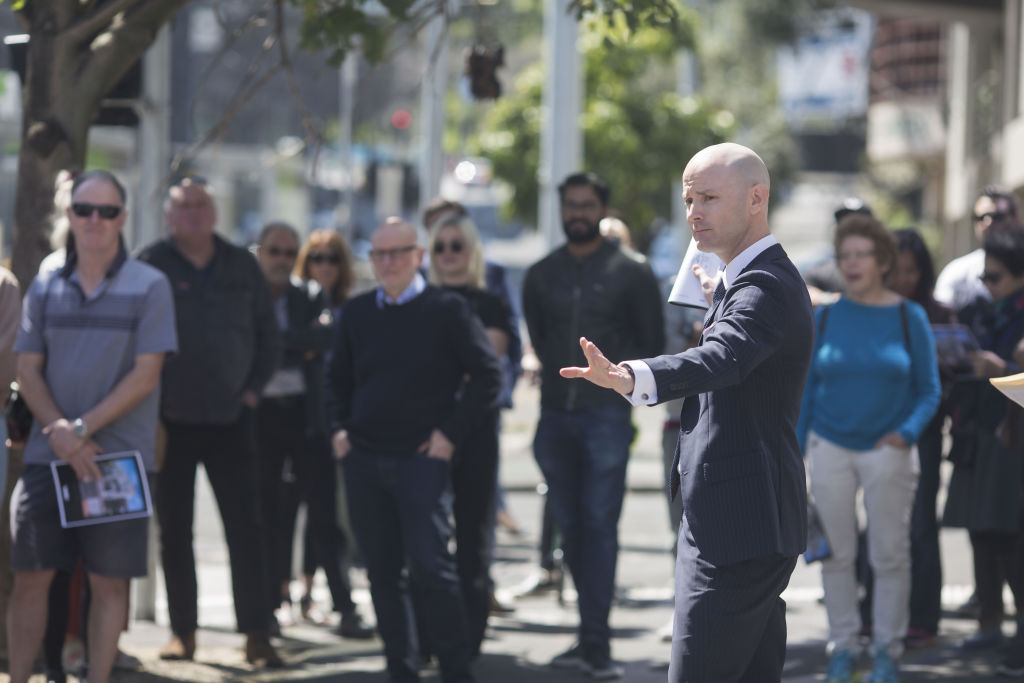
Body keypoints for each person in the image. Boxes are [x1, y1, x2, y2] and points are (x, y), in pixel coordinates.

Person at [559, 143, 812, 682]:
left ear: (756, 199)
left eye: (710, 198)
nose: (694, 212)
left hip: (740, 528)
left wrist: (631, 376)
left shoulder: (763, 282)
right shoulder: (745, 280)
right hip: (742, 521)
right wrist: (717, 295)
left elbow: (725, 357)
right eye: (689, 198)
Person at [8, 170, 177, 683]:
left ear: (122, 218)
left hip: (118, 460)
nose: (94, 221)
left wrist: (78, 429)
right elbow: (26, 369)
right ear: (69, 215)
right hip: (48, 456)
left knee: (109, 584)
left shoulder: (151, 285)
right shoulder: (45, 280)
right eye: (84, 210)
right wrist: (61, 432)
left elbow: (147, 375)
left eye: (106, 211)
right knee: (30, 576)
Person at [324, 217, 501, 683]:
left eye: (397, 252)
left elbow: (488, 376)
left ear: (418, 256)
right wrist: (338, 433)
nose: (387, 263)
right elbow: (334, 382)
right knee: (381, 574)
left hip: (421, 460)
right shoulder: (356, 313)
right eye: (379, 254)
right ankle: (400, 670)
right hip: (364, 458)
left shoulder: (447, 309)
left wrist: (449, 434)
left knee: (431, 569)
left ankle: (455, 670)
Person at [522, 171, 664, 678]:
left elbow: (651, 341)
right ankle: (585, 635)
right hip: (555, 417)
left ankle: (597, 644)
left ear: (600, 209)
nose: (576, 213)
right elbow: (538, 336)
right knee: (572, 531)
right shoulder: (540, 274)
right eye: (569, 205)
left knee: (600, 528)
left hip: (605, 419)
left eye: (586, 205)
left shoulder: (632, 270)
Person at [137, 176, 283, 667]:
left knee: (246, 528)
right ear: (168, 215)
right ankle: (184, 632)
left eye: (202, 204)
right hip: (168, 421)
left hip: (232, 419)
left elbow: (269, 334)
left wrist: (253, 391)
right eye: (184, 206)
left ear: (214, 213)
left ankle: (257, 634)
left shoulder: (241, 262)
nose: (194, 213)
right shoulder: (150, 264)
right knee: (173, 531)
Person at [798, 214, 941, 683]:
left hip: (889, 449)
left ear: (883, 262)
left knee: (889, 555)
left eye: (862, 255)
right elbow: (808, 389)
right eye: (845, 256)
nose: (853, 264)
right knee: (836, 554)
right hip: (830, 445)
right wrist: (793, 453)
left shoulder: (909, 316)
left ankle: (886, 650)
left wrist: (907, 433)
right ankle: (842, 647)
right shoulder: (826, 316)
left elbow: (929, 390)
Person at [255, 222, 373, 639]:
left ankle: (343, 605)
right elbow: (253, 342)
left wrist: (278, 342)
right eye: (276, 252)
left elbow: (325, 339)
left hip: (310, 419)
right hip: (262, 417)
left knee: (325, 518)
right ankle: (272, 605)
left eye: (290, 253)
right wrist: (289, 343)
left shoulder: (309, 296)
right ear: (261, 253)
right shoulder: (253, 294)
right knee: (273, 517)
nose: (283, 261)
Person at [426, 213, 515, 657]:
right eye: (440, 246)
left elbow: (483, 370)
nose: (448, 255)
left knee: (473, 541)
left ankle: (467, 639)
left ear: (472, 250)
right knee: (424, 541)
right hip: (423, 434)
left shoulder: (490, 303)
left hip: (476, 432)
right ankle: (426, 636)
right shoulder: (418, 301)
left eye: (456, 245)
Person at [941, 226, 1024, 675]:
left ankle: (1018, 630)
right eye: (984, 277)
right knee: (981, 528)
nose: (987, 286)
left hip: (1011, 434)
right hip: (978, 427)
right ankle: (989, 618)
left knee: (1006, 532)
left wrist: (1005, 367)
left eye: (995, 278)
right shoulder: (983, 310)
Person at [885, 228, 955, 649]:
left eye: (912, 271)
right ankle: (877, 614)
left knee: (920, 526)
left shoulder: (939, 313)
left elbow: (951, 380)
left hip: (924, 430)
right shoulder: (874, 309)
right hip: (876, 429)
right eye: (898, 270)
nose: (905, 279)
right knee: (880, 525)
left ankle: (924, 617)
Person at [288, 228, 361, 624]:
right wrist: (309, 340)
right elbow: (285, 339)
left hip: (336, 424)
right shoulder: (295, 301)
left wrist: (314, 341)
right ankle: (298, 593)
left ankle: (339, 600)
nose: (324, 266)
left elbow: (334, 343)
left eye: (332, 258)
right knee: (290, 513)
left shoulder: (353, 306)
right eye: (316, 257)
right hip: (295, 419)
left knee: (328, 516)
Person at [935, 187, 1020, 313]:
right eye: (980, 217)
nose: (988, 223)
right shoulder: (956, 271)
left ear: (1016, 219)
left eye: (997, 216)